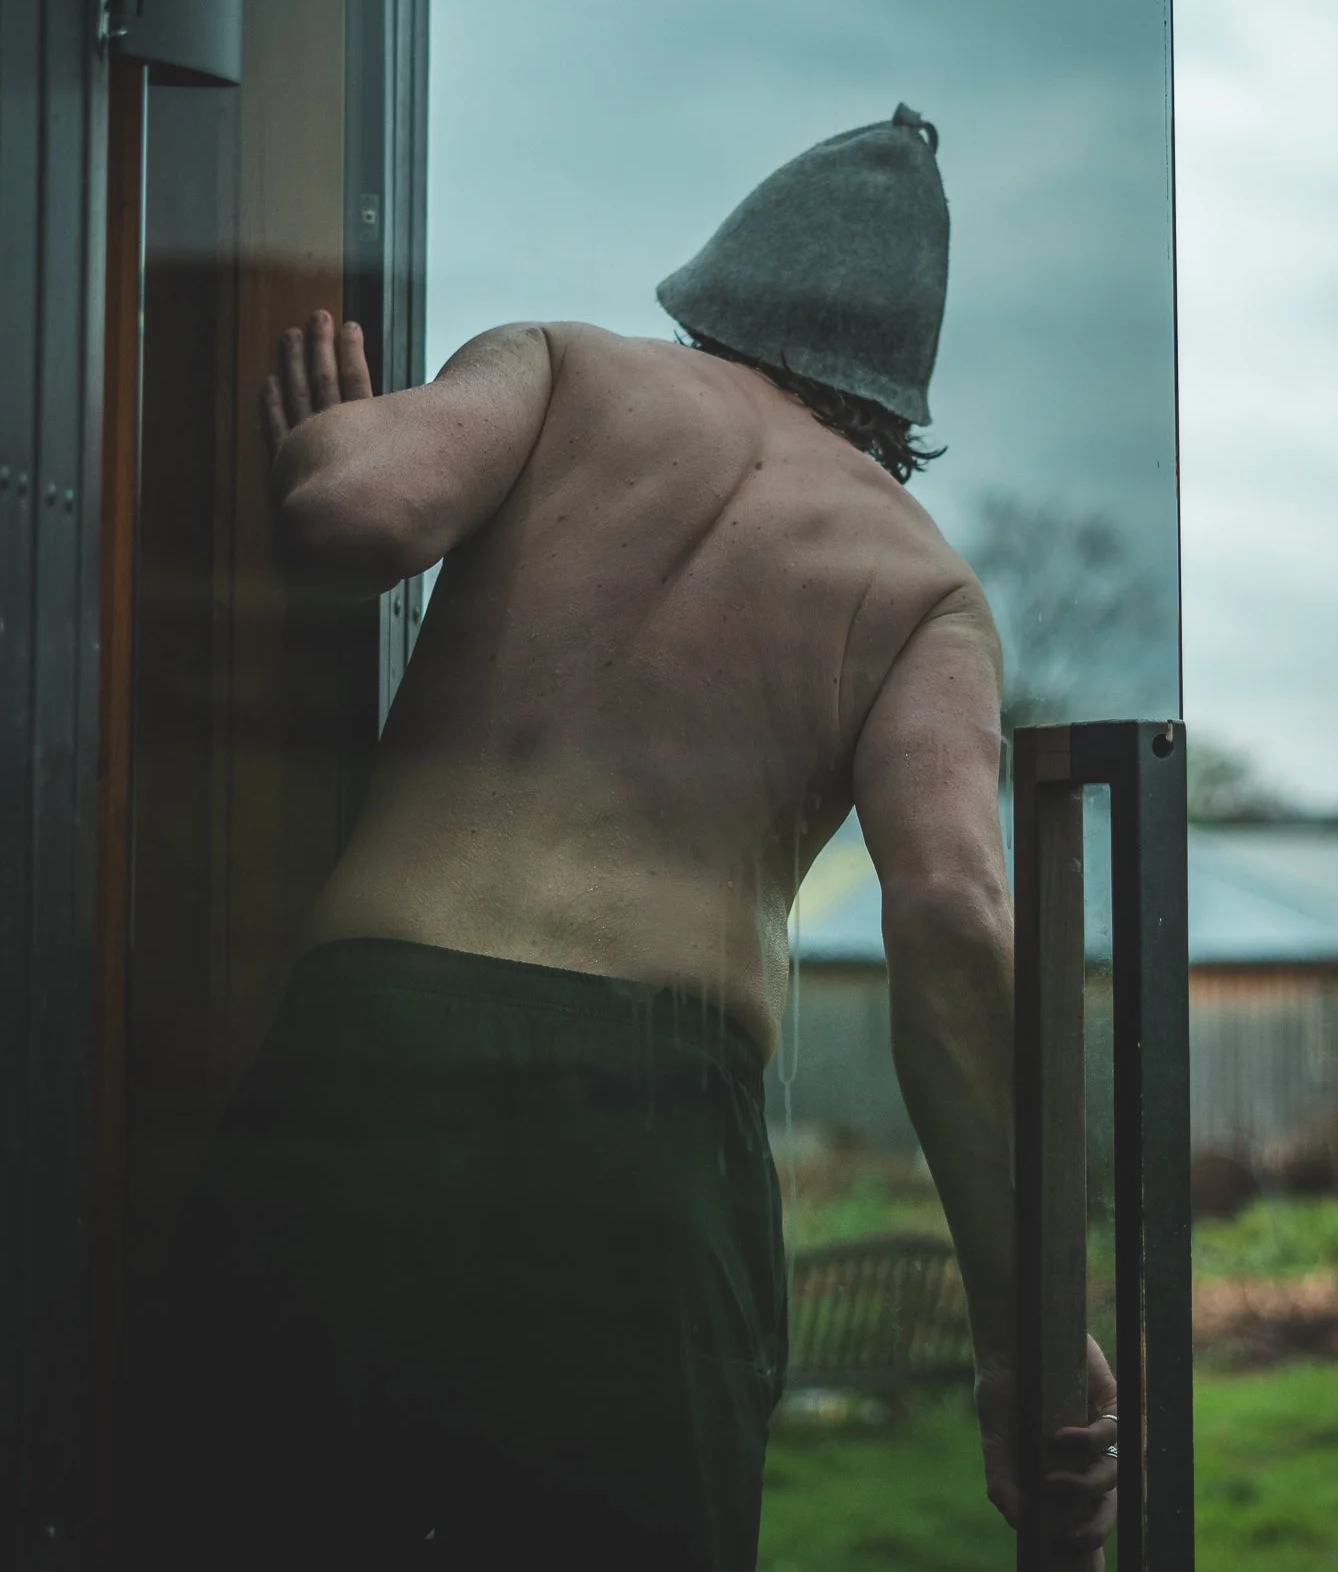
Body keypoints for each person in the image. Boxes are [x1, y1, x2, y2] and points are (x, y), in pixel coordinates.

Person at [144, 106, 1116, 1568]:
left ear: (714, 291)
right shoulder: (923, 591)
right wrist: (1016, 1341)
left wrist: (333, 427)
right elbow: (957, 916)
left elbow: (355, 510)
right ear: (895, 393)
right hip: (647, 1138)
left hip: (371, 1059)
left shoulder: (559, 369)